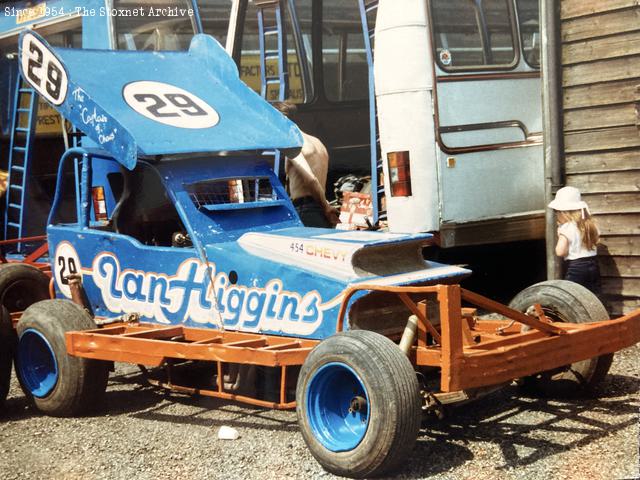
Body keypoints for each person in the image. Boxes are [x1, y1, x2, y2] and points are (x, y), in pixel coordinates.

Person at [273, 102, 338, 228]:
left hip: (306, 210)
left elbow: (311, 179)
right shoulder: (318, 143)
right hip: (319, 209)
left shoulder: (294, 144)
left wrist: (326, 207)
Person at [548, 186, 601, 295]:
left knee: (571, 296)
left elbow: (560, 251)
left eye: (556, 212)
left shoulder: (566, 228)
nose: (556, 215)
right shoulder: (589, 225)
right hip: (593, 265)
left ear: (563, 212)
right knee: (592, 296)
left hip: (577, 267)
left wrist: (560, 235)